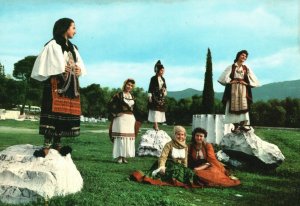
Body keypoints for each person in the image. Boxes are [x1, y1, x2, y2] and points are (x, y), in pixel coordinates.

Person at [31, 18, 86, 157]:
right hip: (56, 85)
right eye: (73, 27)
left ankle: (58, 145)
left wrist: (79, 70)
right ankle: (46, 147)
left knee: (63, 115)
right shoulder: (53, 44)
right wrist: (61, 69)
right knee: (53, 116)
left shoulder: (73, 48)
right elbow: (46, 64)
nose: (75, 30)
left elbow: (79, 64)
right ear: (64, 28)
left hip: (70, 87)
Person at [131, 126, 197, 188]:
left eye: (182, 135)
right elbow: (163, 156)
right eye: (178, 134)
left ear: (184, 136)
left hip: (179, 166)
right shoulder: (169, 144)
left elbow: (185, 159)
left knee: (189, 174)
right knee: (172, 172)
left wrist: (185, 168)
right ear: (174, 135)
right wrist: (162, 166)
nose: (180, 136)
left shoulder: (185, 146)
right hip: (169, 164)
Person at [218, 50, 259, 132]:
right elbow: (222, 77)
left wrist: (246, 83)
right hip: (233, 90)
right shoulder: (231, 67)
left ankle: (243, 125)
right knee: (232, 106)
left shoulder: (246, 68)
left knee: (244, 106)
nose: (244, 57)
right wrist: (230, 81)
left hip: (243, 90)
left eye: (245, 56)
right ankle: (236, 126)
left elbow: (254, 79)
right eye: (242, 55)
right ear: (238, 56)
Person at [108, 79, 139, 164]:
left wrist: (137, 119)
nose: (129, 87)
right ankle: (119, 157)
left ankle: (124, 157)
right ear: (125, 84)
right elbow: (110, 104)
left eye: (131, 86)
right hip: (121, 119)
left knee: (128, 138)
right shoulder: (119, 95)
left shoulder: (132, 97)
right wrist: (116, 113)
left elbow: (135, 109)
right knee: (121, 137)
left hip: (130, 119)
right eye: (128, 84)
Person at [147, 60, 167, 131]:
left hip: (161, 97)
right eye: (161, 70)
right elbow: (150, 88)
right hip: (154, 96)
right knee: (155, 111)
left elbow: (165, 87)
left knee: (159, 112)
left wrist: (164, 91)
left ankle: (156, 125)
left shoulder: (163, 79)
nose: (163, 72)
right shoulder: (153, 78)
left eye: (163, 70)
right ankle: (155, 125)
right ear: (158, 70)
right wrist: (150, 96)